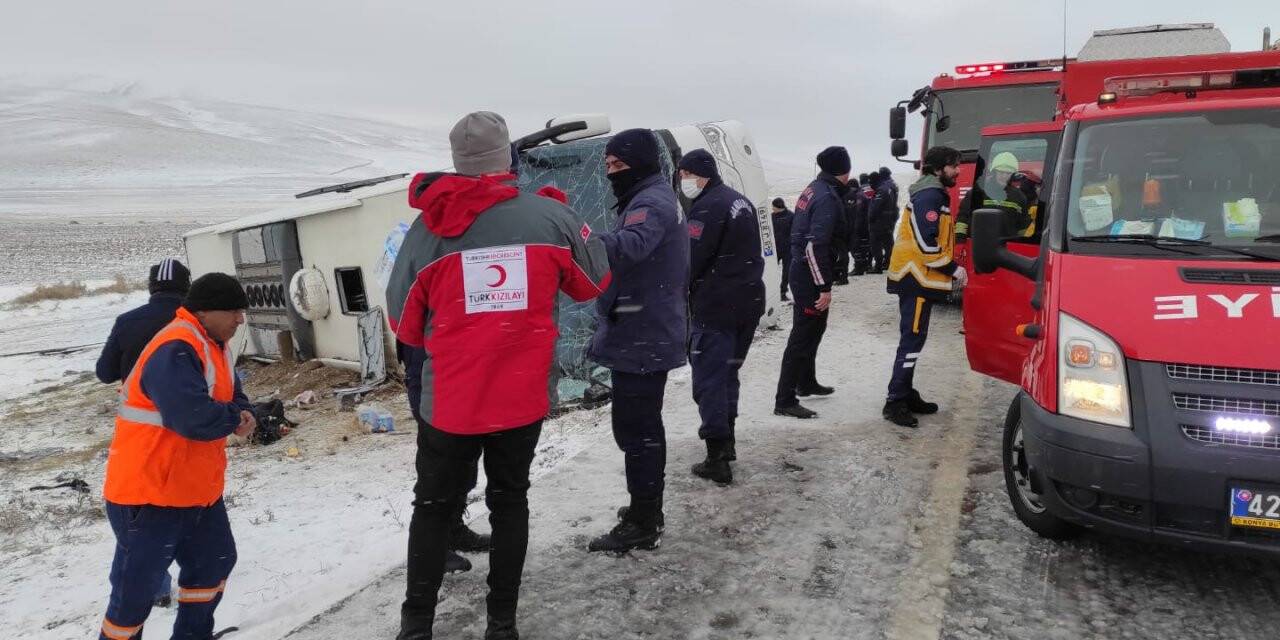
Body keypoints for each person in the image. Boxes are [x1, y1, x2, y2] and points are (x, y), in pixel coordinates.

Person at [385, 111, 611, 640]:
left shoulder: (427, 231)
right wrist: (569, 220)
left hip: (451, 402)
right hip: (521, 397)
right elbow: (591, 283)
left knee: (433, 507)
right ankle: (501, 625)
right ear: (508, 156)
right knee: (510, 502)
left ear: (457, 162)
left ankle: (416, 626)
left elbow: (403, 324)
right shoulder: (547, 219)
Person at [99, 272, 256, 640]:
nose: (240, 319)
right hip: (149, 494)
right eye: (234, 311)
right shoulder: (176, 345)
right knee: (135, 596)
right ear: (206, 310)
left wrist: (244, 412)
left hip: (195, 490)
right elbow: (192, 417)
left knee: (213, 563)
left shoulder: (213, 344)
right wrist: (234, 418)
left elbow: (230, 393)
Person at [587, 128, 688, 553]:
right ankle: (644, 508)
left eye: (619, 165)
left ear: (640, 163)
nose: (612, 173)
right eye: (608, 165)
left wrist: (582, 236)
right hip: (643, 329)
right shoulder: (651, 194)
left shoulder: (651, 201)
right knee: (637, 428)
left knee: (638, 430)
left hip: (644, 335)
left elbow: (631, 246)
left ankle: (646, 520)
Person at [94, 257, 191, 609]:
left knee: (140, 510)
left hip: (141, 434)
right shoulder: (194, 325)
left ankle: (154, 585)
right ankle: (198, 567)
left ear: (151, 287)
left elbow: (104, 372)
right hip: (191, 431)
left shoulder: (127, 321)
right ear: (187, 287)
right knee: (189, 502)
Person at [679, 149, 765, 485]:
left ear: (700, 174)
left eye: (685, 174)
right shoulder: (738, 200)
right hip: (747, 301)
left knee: (710, 379)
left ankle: (717, 456)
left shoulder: (706, 208)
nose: (683, 181)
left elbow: (692, 260)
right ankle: (726, 441)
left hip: (716, 305)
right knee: (728, 373)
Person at [884, 146, 968, 428]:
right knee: (911, 339)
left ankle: (905, 391)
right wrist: (952, 268)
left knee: (914, 338)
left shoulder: (932, 193)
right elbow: (925, 242)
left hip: (918, 278)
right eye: (953, 165)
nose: (958, 171)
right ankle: (895, 400)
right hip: (915, 279)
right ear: (938, 168)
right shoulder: (930, 195)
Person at [395, 340, 492, 575]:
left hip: (456, 355)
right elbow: (403, 319)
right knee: (438, 473)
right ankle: (432, 550)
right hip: (428, 355)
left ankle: (452, 529)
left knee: (465, 459)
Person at [774, 146, 851, 420]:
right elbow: (814, 247)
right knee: (802, 335)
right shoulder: (827, 197)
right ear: (844, 170)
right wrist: (824, 287)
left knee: (815, 328)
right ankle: (784, 398)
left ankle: (806, 382)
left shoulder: (814, 187)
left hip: (804, 270)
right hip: (809, 274)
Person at [956, 151, 1038, 242]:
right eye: (1001, 172)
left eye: (1008, 173)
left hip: (1007, 247)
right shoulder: (978, 192)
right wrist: (960, 240)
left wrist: (1020, 244)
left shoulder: (1019, 197)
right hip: (978, 245)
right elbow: (962, 218)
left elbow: (1023, 226)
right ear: (994, 171)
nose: (1004, 176)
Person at [868, 171, 897, 273]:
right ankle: (890, 263)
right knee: (888, 244)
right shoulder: (888, 188)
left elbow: (875, 208)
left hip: (879, 222)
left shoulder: (881, 190)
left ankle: (878, 267)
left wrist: (870, 217)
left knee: (876, 244)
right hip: (887, 221)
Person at [851, 173, 875, 275]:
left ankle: (859, 267)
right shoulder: (873, 190)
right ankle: (868, 264)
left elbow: (859, 210)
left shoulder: (860, 193)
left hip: (862, 222)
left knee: (857, 245)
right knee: (869, 244)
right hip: (872, 221)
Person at [771, 198, 794, 301]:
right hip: (775, 249)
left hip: (788, 248)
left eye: (773, 207)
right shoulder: (771, 217)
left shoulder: (791, 216)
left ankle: (783, 292)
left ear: (778, 207)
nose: (772, 208)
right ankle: (772, 292)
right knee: (771, 270)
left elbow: (795, 231)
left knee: (787, 272)